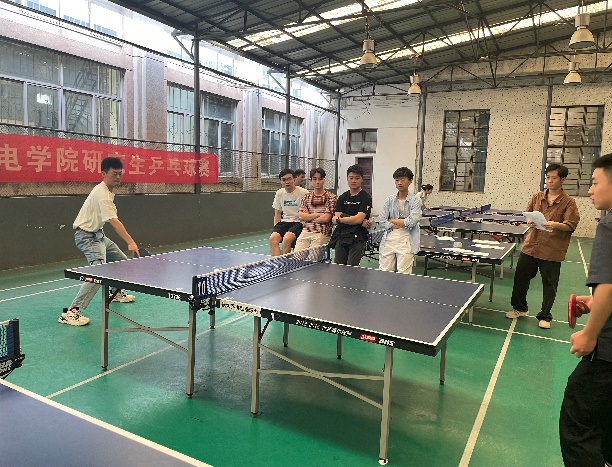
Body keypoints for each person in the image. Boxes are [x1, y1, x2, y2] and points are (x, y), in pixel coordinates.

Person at [559, 153, 612, 466]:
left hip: (607, 352)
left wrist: (590, 333)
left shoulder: (609, 224)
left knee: (576, 422)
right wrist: (594, 303)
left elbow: (609, 285)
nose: (589, 190)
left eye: (594, 182)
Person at [59, 157, 139, 326]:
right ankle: (71, 311)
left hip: (99, 235)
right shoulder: (102, 194)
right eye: (114, 174)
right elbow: (114, 221)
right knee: (98, 274)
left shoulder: (107, 191)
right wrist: (130, 241)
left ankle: (115, 292)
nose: (118, 177)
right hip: (87, 237)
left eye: (120, 173)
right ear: (104, 174)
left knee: (121, 262)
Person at [506, 163, 580, 329]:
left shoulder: (569, 202)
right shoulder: (537, 196)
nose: (550, 181)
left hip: (552, 249)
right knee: (520, 278)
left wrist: (555, 224)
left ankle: (545, 316)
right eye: (548, 177)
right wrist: (529, 221)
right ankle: (519, 308)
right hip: (531, 246)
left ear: (563, 179)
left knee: (549, 284)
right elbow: (527, 213)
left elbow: (571, 225)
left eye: (554, 178)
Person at [378, 167, 422, 274]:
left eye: (402, 179)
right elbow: (382, 220)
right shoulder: (389, 200)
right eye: (397, 180)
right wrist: (395, 224)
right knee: (384, 271)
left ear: (410, 181)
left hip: (407, 239)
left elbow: (411, 222)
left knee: (404, 273)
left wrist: (391, 220)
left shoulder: (416, 200)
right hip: (389, 238)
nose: (399, 183)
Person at [329, 164, 372, 266]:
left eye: (357, 178)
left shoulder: (366, 198)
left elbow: (357, 219)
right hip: (341, 235)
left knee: (352, 268)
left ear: (362, 179)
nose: (353, 181)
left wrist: (342, 219)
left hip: (358, 237)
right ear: (347, 179)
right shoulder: (342, 197)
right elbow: (335, 218)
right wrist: (358, 220)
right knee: (339, 267)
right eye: (351, 178)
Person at [294, 168, 337, 251]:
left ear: (324, 180)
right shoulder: (306, 197)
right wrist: (319, 214)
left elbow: (326, 218)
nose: (317, 182)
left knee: (313, 257)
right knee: (297, 256)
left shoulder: (331, 197)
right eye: (314, 179)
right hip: (305, 232)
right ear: (311, 180)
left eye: (320, 179)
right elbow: (301, 216)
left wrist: (309, 218)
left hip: (322, 233)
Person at [270, 168, 308, 256]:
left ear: (294, 179)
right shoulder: (279, 193)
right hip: (285, 222)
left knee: (287, 239)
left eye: (289, 179)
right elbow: (277, 213)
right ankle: (278, 262)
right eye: (284, 180)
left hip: (299, 222)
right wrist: (276, 229)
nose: (287, 182)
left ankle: (283, 262)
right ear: (280, 181)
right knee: (273, 239)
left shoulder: (304, 193)